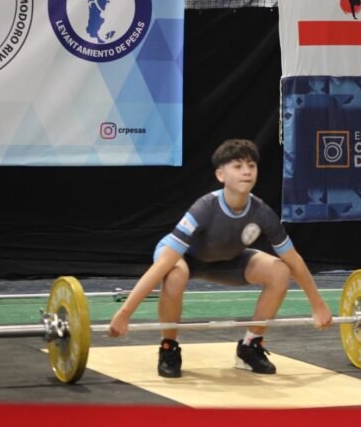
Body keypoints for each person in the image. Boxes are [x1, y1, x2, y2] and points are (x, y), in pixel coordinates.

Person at [108, 139, 333, 378]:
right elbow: (163, 264)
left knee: (280, 270)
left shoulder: (262, 212)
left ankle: (250, 346)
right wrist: (124, 314)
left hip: (228, 262)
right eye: (237, 166)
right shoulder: (204, 208)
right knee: (174, 273)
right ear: (220, 174)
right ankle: (169, 347)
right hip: (185, 259)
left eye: (251, 165)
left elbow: (294, 259)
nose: (247, 171)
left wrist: (317, 305)